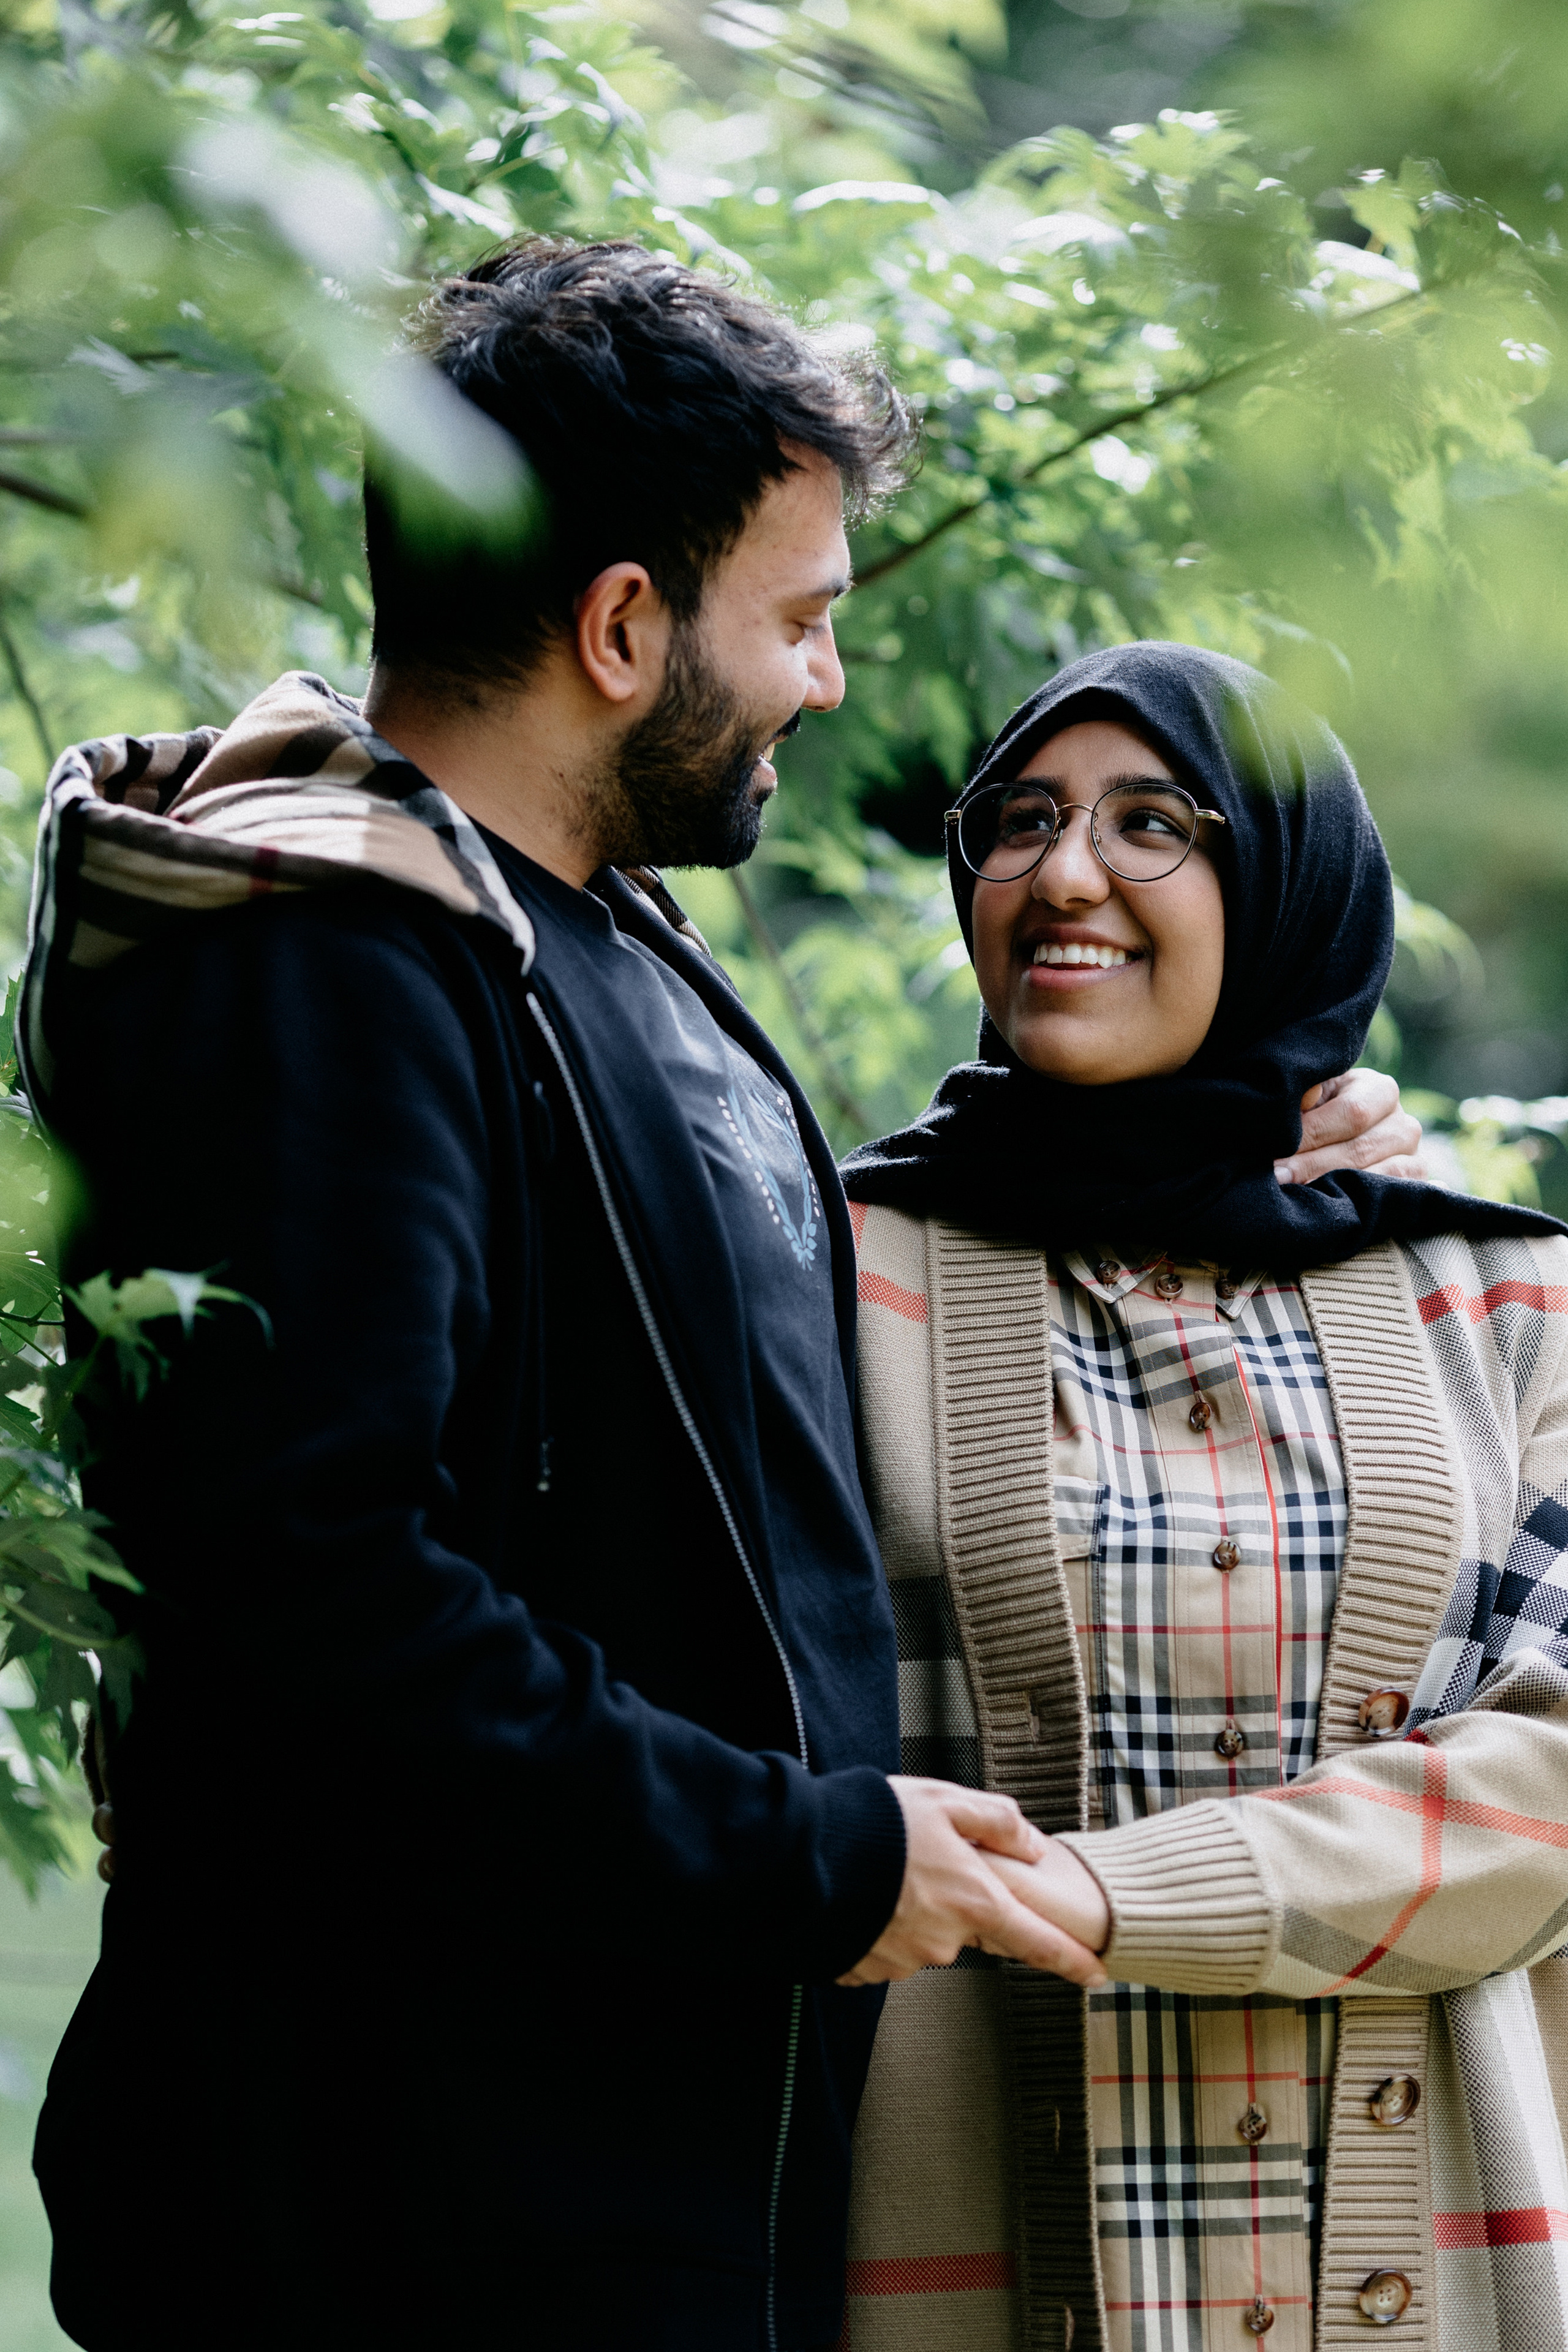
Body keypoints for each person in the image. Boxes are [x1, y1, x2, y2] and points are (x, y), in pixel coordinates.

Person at [20, 238, 1419, 2351]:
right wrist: (806, 1859)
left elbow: (715, 1383)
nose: (828, 683)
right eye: (802, 620)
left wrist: (1238, 1166)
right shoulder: (311, 967)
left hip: (636, 2188)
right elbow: (312, 1596)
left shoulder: (576, 933)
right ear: (620, 629)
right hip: (391, 2217)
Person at [837, 641, 1568, 2352]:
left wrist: (1118, 1898)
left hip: (1435, 2278)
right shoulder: (828, 1276)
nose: (1062, 874)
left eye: (1154, 822)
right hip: (967, 2263)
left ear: (1292, 888)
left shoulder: (1507, 1308)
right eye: (1020, 820)